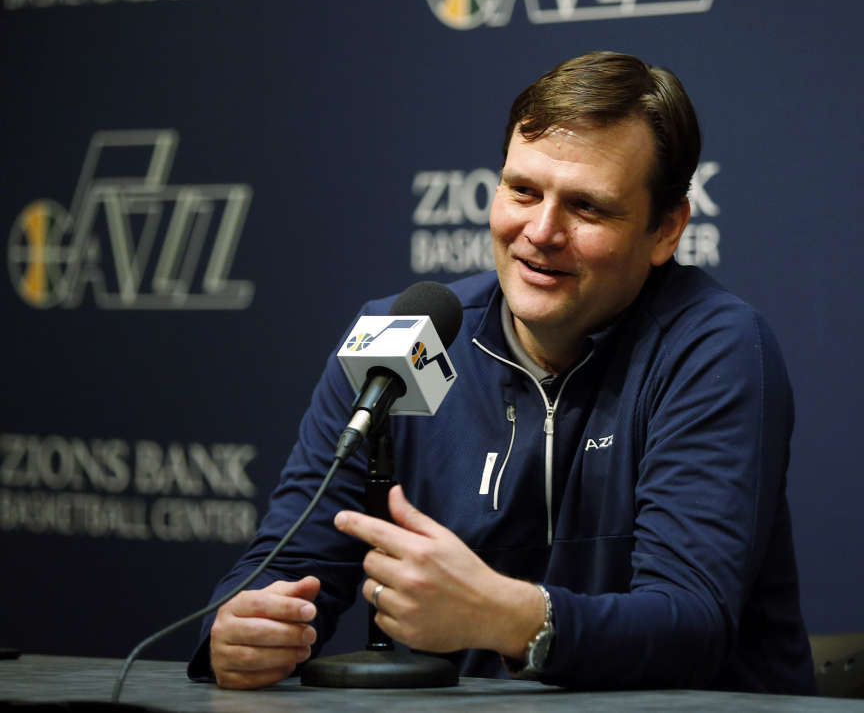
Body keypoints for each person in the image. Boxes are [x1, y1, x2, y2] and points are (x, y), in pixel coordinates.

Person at [188, 51, 816, 693]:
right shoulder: (408, 338)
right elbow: (290, 561)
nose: (541, 231)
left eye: (588, 208)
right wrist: (241, 630)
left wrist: (504, 616)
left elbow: (691, 624)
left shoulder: (709, 346)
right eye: (523, 190)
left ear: (666, 229)